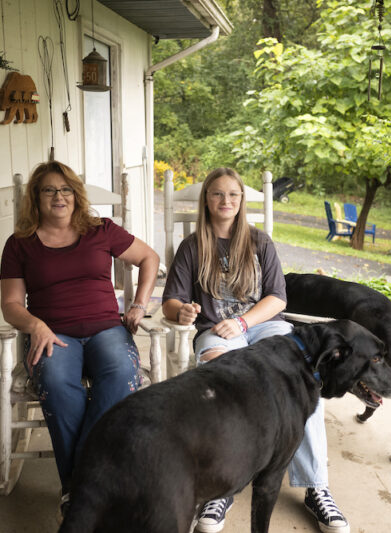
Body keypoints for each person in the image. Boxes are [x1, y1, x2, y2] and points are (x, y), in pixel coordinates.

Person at [162, 167, 350, 533]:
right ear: (207, 199)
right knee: (224, 388)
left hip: (262, 325)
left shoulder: (259, 241)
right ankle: (221, 485)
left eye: (233, 194)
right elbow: (171, 301)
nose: (226, 201)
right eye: (217, 194)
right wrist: (181, 311)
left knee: (304, 384)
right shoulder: (192, 246)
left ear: (242, 200)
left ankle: (315, 485)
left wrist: (245, 322)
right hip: (217, 332)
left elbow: (277, 298)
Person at [0, 161, 159, 518]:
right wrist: (36, 325)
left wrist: (139, 304)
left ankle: (78, 486)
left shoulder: (100, 230)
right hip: (53, 333)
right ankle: (94, 484)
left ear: (76, 194)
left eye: (66, 189)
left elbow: (149, 257)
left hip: (107, 328)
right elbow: (10, 305)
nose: (59, 196)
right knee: (56, 381)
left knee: (119, 375)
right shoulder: (19, 244)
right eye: (49, 190)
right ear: (36, 198)